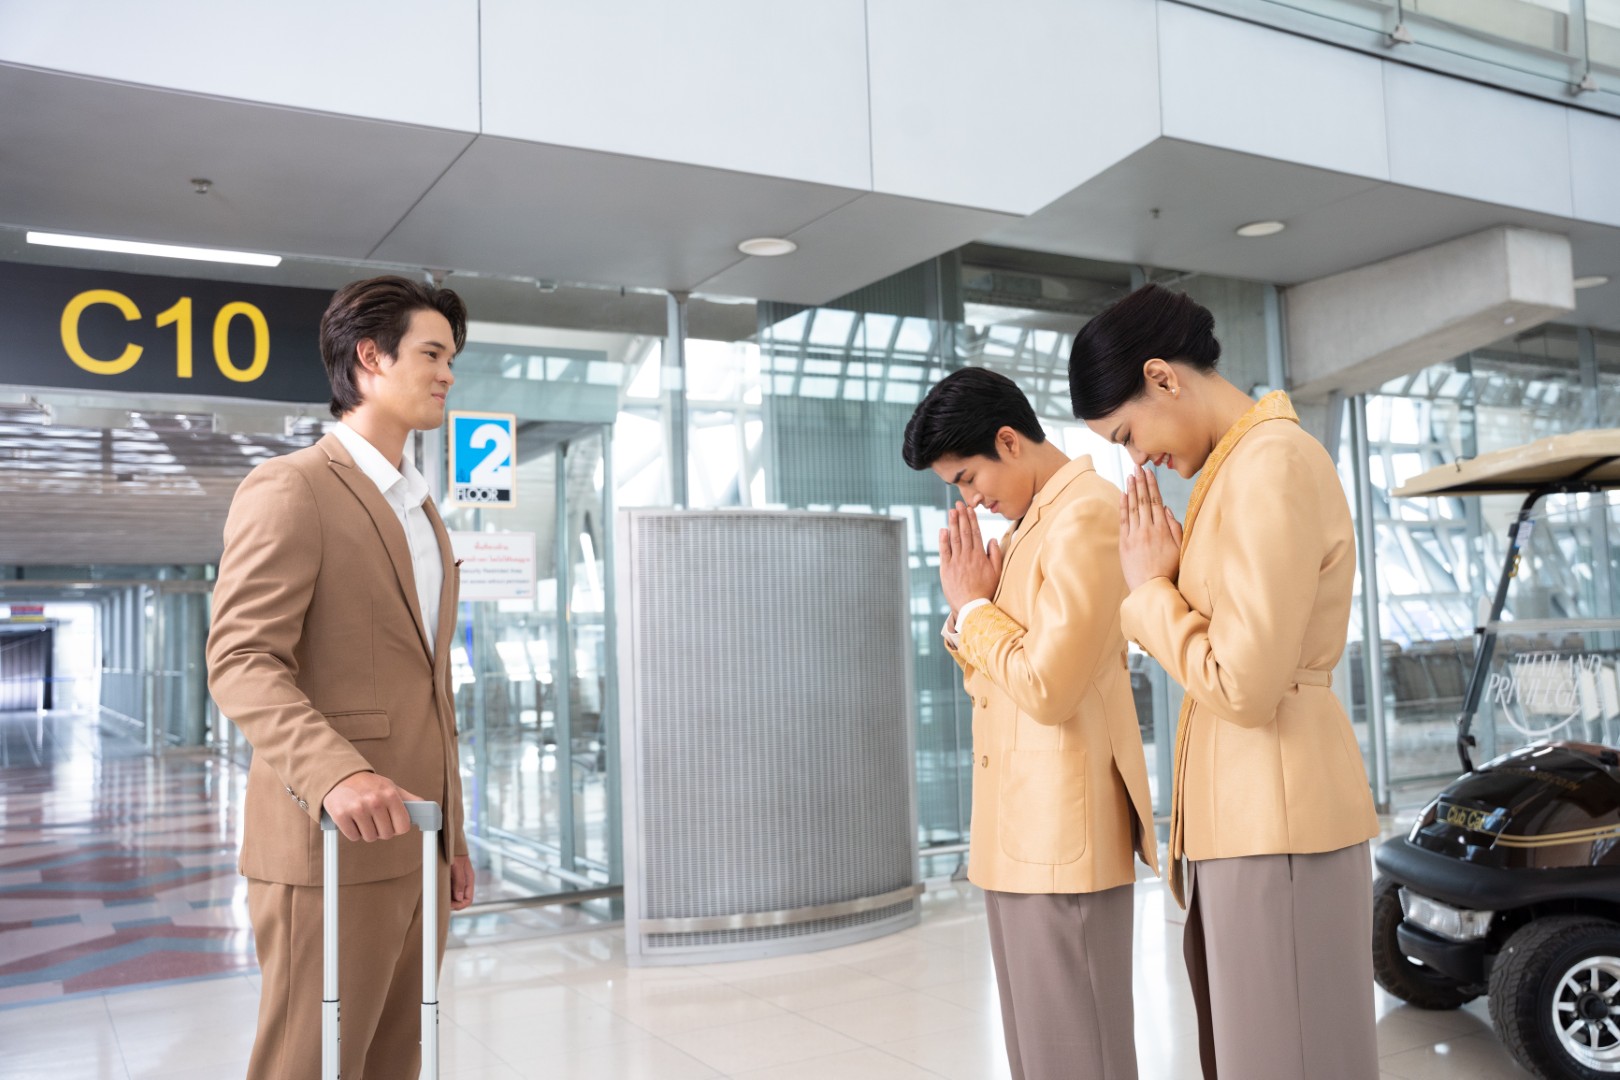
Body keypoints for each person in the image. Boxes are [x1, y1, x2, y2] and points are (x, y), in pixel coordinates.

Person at [1069, 284, 1380, 1080]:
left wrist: (1149, 593)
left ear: (1164, 377)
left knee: (1289, 1059)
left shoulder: (1267, 465)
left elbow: (1242, 684)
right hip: (1255, 823)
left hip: (1280, 825)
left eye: (1126, 433)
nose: (1134, 459)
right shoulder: (1234, 472)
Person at [207, 275, 475, 1079]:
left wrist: (453, 839)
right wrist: (337, 775)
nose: (447, 374)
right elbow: (241, 658)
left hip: (417, 844)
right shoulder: (293, 487)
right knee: (311, 1064)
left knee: (393, 1058)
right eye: (432, 353)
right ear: (369, 357)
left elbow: (427, 690)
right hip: (329, 841)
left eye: (452, 358)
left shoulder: (420, 509)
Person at [902, 367, 1157, 1080]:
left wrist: (974, 612)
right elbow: (997, 682)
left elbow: (1047, 685)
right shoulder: (1026, 527)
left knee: (1080, 1049)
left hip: (1063, 835)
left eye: (965, 477)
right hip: (1019, 832)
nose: (970, 500)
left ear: (1008, 441)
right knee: (1039, 1052)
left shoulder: (1085, 514)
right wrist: (968, 616)